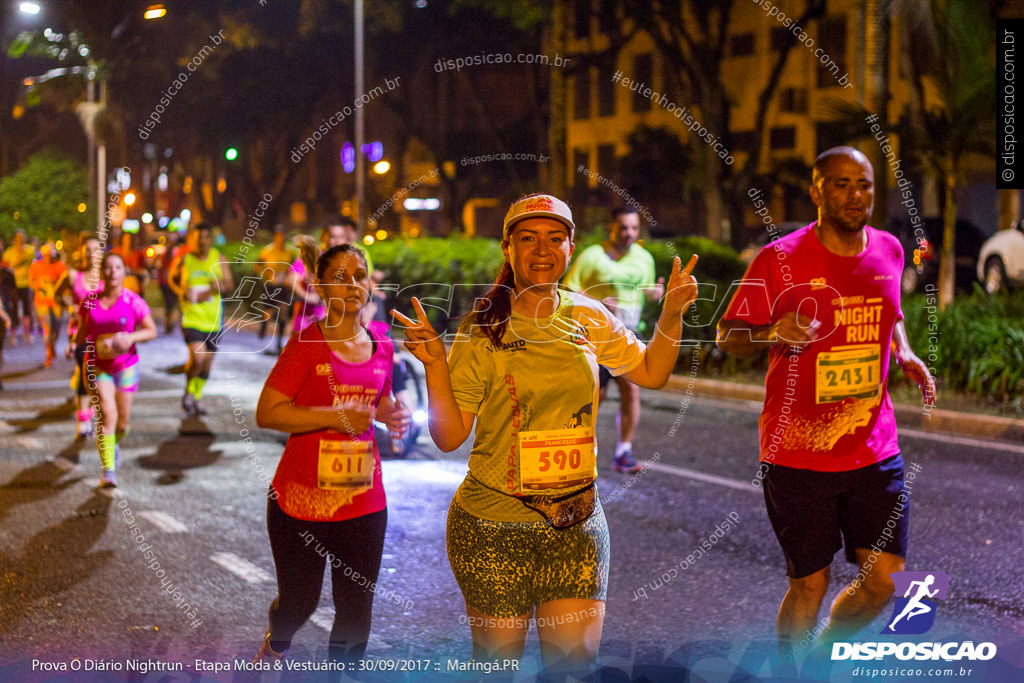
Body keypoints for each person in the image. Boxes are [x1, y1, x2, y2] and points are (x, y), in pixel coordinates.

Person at [391, 193, 699, 676]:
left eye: (555, 239)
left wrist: (673, 314)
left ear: (570, 248)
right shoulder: (483, 329)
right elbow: (450, 437)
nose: (542, 250)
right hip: (494, 528)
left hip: (577, 526)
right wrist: (434, 364)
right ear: (507, 249)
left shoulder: (588, 316)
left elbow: (650, 371)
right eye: (528, 239)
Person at [715, 146, 936, 658]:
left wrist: (904, 353)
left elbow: (890, 310)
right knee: (809, 584)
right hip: (798, 452)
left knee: (885, 579)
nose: (855, 195)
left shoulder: (889, 249)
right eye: (841, 184)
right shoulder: (780, 259)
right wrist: (774, 330)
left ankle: (822, 657)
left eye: (864, 184)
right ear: (816, 191)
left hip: (874, 447)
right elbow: (727, 335)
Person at [253, 236, 409, 664]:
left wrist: (394, 415)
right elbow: (268, 413)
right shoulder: (305, 344)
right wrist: (334, 415)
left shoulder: (382, 344)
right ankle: (277, 640)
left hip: (363, 500)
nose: (353, 286)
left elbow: (379, 401)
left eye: (360, 277)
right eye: (340, 278)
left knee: (357, 609)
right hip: (301, 501)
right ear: (320, 288)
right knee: (299, 604)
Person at [564, 206, 665, 473]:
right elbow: (569, 290)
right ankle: (583, 450)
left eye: (633, 228)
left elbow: (645, 291)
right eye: (623, 228)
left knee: (632, 390)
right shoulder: (592, 256)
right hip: (596, 336)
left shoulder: (644, 259)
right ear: (611, 226)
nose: (628, 233)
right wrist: (598, 302)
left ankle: (624, 452)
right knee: (595, 394)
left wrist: (655, 293)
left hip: (631, 331)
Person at [69, 252, 157, 487]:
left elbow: (151, 330)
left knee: (121, 423)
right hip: (97, 366)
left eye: (118, 268)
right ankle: (108, 470)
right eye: (108, 268)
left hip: (126, 366)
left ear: (124, 272)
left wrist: (130, 338)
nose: (112, 272)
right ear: (102, 272)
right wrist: (72, 346)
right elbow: (81, 332)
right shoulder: (89, 301)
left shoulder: (133, 300)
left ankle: (113, 442)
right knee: (107, 415)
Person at [169, 223, 234, 417]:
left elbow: (229, 285)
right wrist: (181, 291)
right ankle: (190, 391)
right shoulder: (183, 260)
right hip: (191, 318)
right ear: (192, 238)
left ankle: (195, 396)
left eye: (206, 237)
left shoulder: (218, 259)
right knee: (197, 357)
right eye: (198, 237)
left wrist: (217, 286)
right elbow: (171, 278)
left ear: (210, 239)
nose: (202, 241)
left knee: (206, 363)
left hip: (213, 319)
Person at [286, 217, 377, 336]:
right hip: (308, 322)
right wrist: (307, 296)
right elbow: (291, 280)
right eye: (333, 236)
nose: (337, 241)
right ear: (324, 237)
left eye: (341, 237)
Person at [64, 236, 105, 437]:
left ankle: (99, 408)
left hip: (102, 334)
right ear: (81, 252)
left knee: (97, 375)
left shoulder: (107, 277)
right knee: (86, 372)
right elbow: (57, 294)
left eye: (95, 249)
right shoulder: (73, 275)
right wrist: (69, 307)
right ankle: (84, 419)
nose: (90, 254)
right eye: (86, 250)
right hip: (79, 332)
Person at [255, 225, 294, 353]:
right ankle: (263, 328)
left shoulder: (289, 251)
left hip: (283, 286)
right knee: (268, 312)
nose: (280, 239)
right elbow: (257, 265)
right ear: (274, 237)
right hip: (270, 285)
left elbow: (292, 267)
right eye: (278, 236)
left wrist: (288, 277)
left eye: (282, 236)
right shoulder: (267, 251)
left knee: (283, 311)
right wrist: (265, 274)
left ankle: (279, 341)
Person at [28, 243, 68, 367]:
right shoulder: (36, 266)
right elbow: (31, 281)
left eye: (50, 255)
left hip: (56, 303)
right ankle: (48, 354)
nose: (48, 258)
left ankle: (52, 347)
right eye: (45, 255)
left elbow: (66, 282)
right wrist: (37, 288)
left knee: (56, 330)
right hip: (42, 303)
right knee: (47, 329)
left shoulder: (59, 266)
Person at [1, 230, 37, 344]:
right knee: (14, 311)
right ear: (14, 240)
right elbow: (4, 267)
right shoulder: (9, 253)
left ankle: (27, 334)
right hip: (13, 286)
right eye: (17, 238)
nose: (19, 241)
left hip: (26, 285)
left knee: (27, 311)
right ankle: (12, 336)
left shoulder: (30, 250)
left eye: (22, 238)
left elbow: (34, 265)